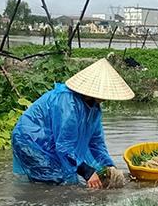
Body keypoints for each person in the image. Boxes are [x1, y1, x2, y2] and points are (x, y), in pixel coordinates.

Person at [12, 58, 133, 188]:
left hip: (51, 142)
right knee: (56, 182)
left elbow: (96, 143)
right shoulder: (67, 103)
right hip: (31, 141)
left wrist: (109, 166)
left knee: (67, 179)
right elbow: (64, 146)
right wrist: (87, 172)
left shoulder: (94, 108)